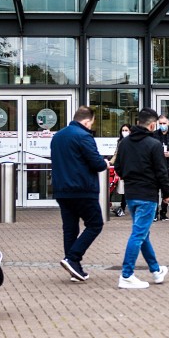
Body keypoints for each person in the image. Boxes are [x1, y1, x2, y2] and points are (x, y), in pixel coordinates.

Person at [114, 108, 169, 289]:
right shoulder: (154, 145)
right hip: (147, 194)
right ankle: (126, 275)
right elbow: (161, 172)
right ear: (153, 124)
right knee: (138, 234)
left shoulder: (124, 143)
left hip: (131, 194)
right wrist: (167, 194)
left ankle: (156, 270)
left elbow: (118, 168)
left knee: (142, 233)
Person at [49, 106, 107, 282]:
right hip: (82, 189)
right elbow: (97, 164)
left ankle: (74, 268)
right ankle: (73, 258)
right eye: (91, 123)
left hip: (62, 190)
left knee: (70, 228)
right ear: (87, 121)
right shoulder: (84, 136)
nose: (91, 126)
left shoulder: (58, 136)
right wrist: (104, 162)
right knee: (95, 224)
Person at [109, 125, 131, 217]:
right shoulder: (120, 141)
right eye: (123, 130)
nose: (124, 132)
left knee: (124, 190)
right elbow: (116, 153)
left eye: (126, 130)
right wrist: (111, 162)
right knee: (113, 186)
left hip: (129, 168)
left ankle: (122, 207)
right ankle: (108, 205)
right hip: (120, 167)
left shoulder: (133, 141)